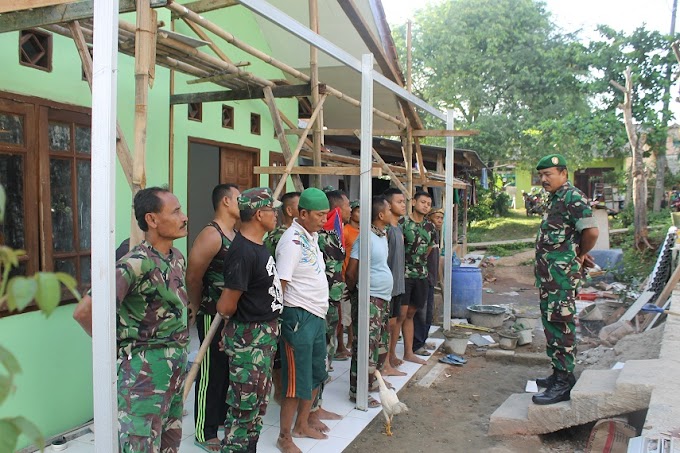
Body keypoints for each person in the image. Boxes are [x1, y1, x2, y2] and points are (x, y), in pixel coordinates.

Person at [73, 187, 189, 452]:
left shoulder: (176, 259)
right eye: (176, 211)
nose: (184, 217)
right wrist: (111, 346)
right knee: (140, 445)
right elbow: (84, 311)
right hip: (143, 375)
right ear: (152, 219)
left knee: (169, 443)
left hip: (173, 370)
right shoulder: (134, 263)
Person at [216, 187, 284, 452]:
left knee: (256, 405)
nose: (276, 215)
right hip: (250, 338)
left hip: (263, 336)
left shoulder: (258, 245)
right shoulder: (242, 252)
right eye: (272, 210)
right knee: (243, 409)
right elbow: (226, 304)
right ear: (259, 214)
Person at [532, 154, 599, 405]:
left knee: (561, 324)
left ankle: (563, 382)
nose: (543, 179)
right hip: (550, 277)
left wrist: (580, 253)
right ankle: (559, 374)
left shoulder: (573, 197)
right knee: (552, 323)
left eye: (548, 174)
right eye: (541, 175)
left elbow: (591, 231)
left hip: (561, 277)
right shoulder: (556, 198)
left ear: (563, 173)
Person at [275, 188, 331, 453]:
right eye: (320, 215)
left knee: (317, 373)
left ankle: (303, 423)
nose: (324, 219)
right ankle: (284, 437)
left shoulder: (311, 236)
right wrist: (281, 323)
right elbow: (282, 284)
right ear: (303, 213)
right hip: (298, 317)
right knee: (295, 382)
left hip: (316, 315)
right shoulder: (291, 242)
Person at [186, 183, 240, 451]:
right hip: (211, 314)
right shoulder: (212, 234)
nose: (243, 203)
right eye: (239, 198)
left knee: (226, 372)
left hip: (230, 316)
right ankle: (203, 432)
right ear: (226, 202)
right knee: (210, 372)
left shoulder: (235, 233)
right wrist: (196, 307)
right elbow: (193, 276)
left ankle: (218, 420)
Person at [345, 196, 394, 407]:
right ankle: (358, 391)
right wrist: (355, 293)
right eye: (389, 210)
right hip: (370, 299)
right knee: (365, 345)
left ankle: (372, 381)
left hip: (383, 298)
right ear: (381, 215)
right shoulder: (365, 238)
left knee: (380, 344)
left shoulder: (382, 235)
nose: (392, 213)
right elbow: (351, 271)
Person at [264, 191, 300, 403]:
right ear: (289, 210)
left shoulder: (301, 234)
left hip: (295, 301)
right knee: (280, 352)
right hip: (281, 302)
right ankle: (280, 392)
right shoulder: (278, 237)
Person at [398, 190, 436, 365]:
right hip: (404, 274)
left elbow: (428, 250)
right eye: (422, 202)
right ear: (413, 202)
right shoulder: (402, 223)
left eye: (428, 204)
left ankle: (408, 352)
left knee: (411, 313)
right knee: (400, 314)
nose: (425, 206)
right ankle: (391, 355)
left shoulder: (430, 227)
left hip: (421, 275)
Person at [383, 188, 408, 377]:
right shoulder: (388, 231)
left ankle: (391, 355)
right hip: (388, 287)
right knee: (388, 325)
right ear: (388, 205)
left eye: (404, 201)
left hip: (398, 284)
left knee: (395, 323)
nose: (403, 204)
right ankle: (385, 364)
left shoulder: (398, 228)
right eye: (399, 201)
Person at [413, 207, 443, 355]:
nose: (440, 221)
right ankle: (417, 344)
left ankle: (422, 341)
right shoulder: (424, 232)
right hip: (423, 277)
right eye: (437, 217)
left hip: (431, 278)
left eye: (441, 218)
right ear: (429, 218)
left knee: (429, 313)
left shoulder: (435, 234)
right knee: (421, 313)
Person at [336, 200, 360, 358]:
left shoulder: (363, 231)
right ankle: (341, 346)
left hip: (358, 278)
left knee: (352, 313)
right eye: (357, 211)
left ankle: (351, 341)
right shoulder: (345, 231)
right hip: (346, 276)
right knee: (343, 315)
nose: (360, 214)